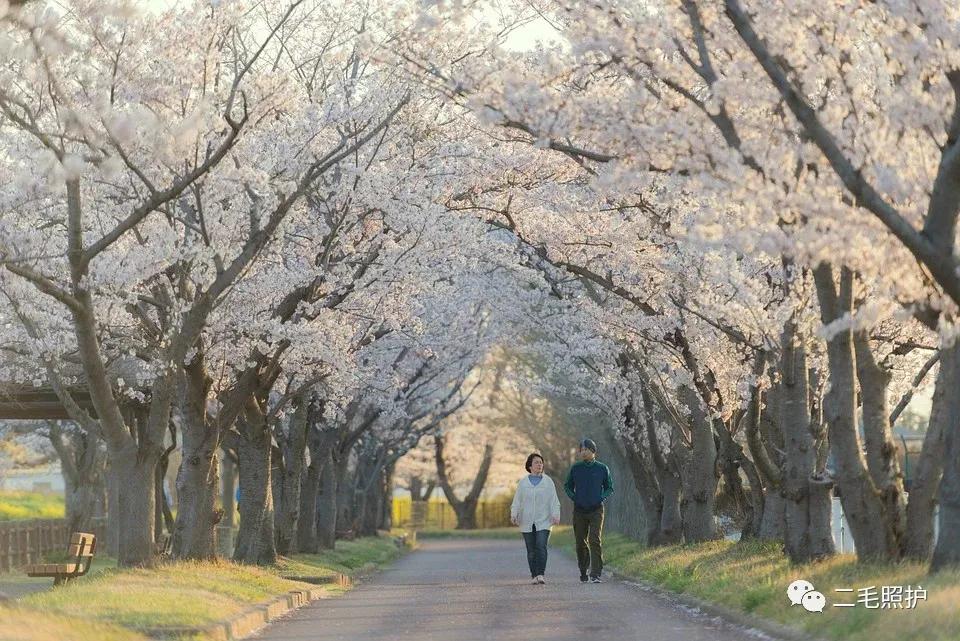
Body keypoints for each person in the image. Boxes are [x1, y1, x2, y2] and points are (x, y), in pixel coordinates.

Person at [564, 438, 613, 583]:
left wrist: (600, 498)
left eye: (586, 449)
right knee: (580, 541)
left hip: (596, 510)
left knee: (594, 539)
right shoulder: (576, 468)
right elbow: (567, 486)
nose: (583, 452)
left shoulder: (602, 468)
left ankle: (596, 573)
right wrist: (575, 497)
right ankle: (583, 569)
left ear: (593, 451)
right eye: (581, 450)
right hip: (579, 510)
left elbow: (610, 487)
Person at [510, 452, 561, 584]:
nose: (540, 465)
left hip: (544, 520)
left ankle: (541, 574)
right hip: (526, 520)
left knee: (541, 546)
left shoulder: (548, 481)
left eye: (541, 462)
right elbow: (517, 501)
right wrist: (514, 514)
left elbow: (554, 500)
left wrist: (556, 514)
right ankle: (534, 575)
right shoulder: (523, 483)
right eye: (536, 462)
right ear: (530, 466)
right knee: (531, 549)